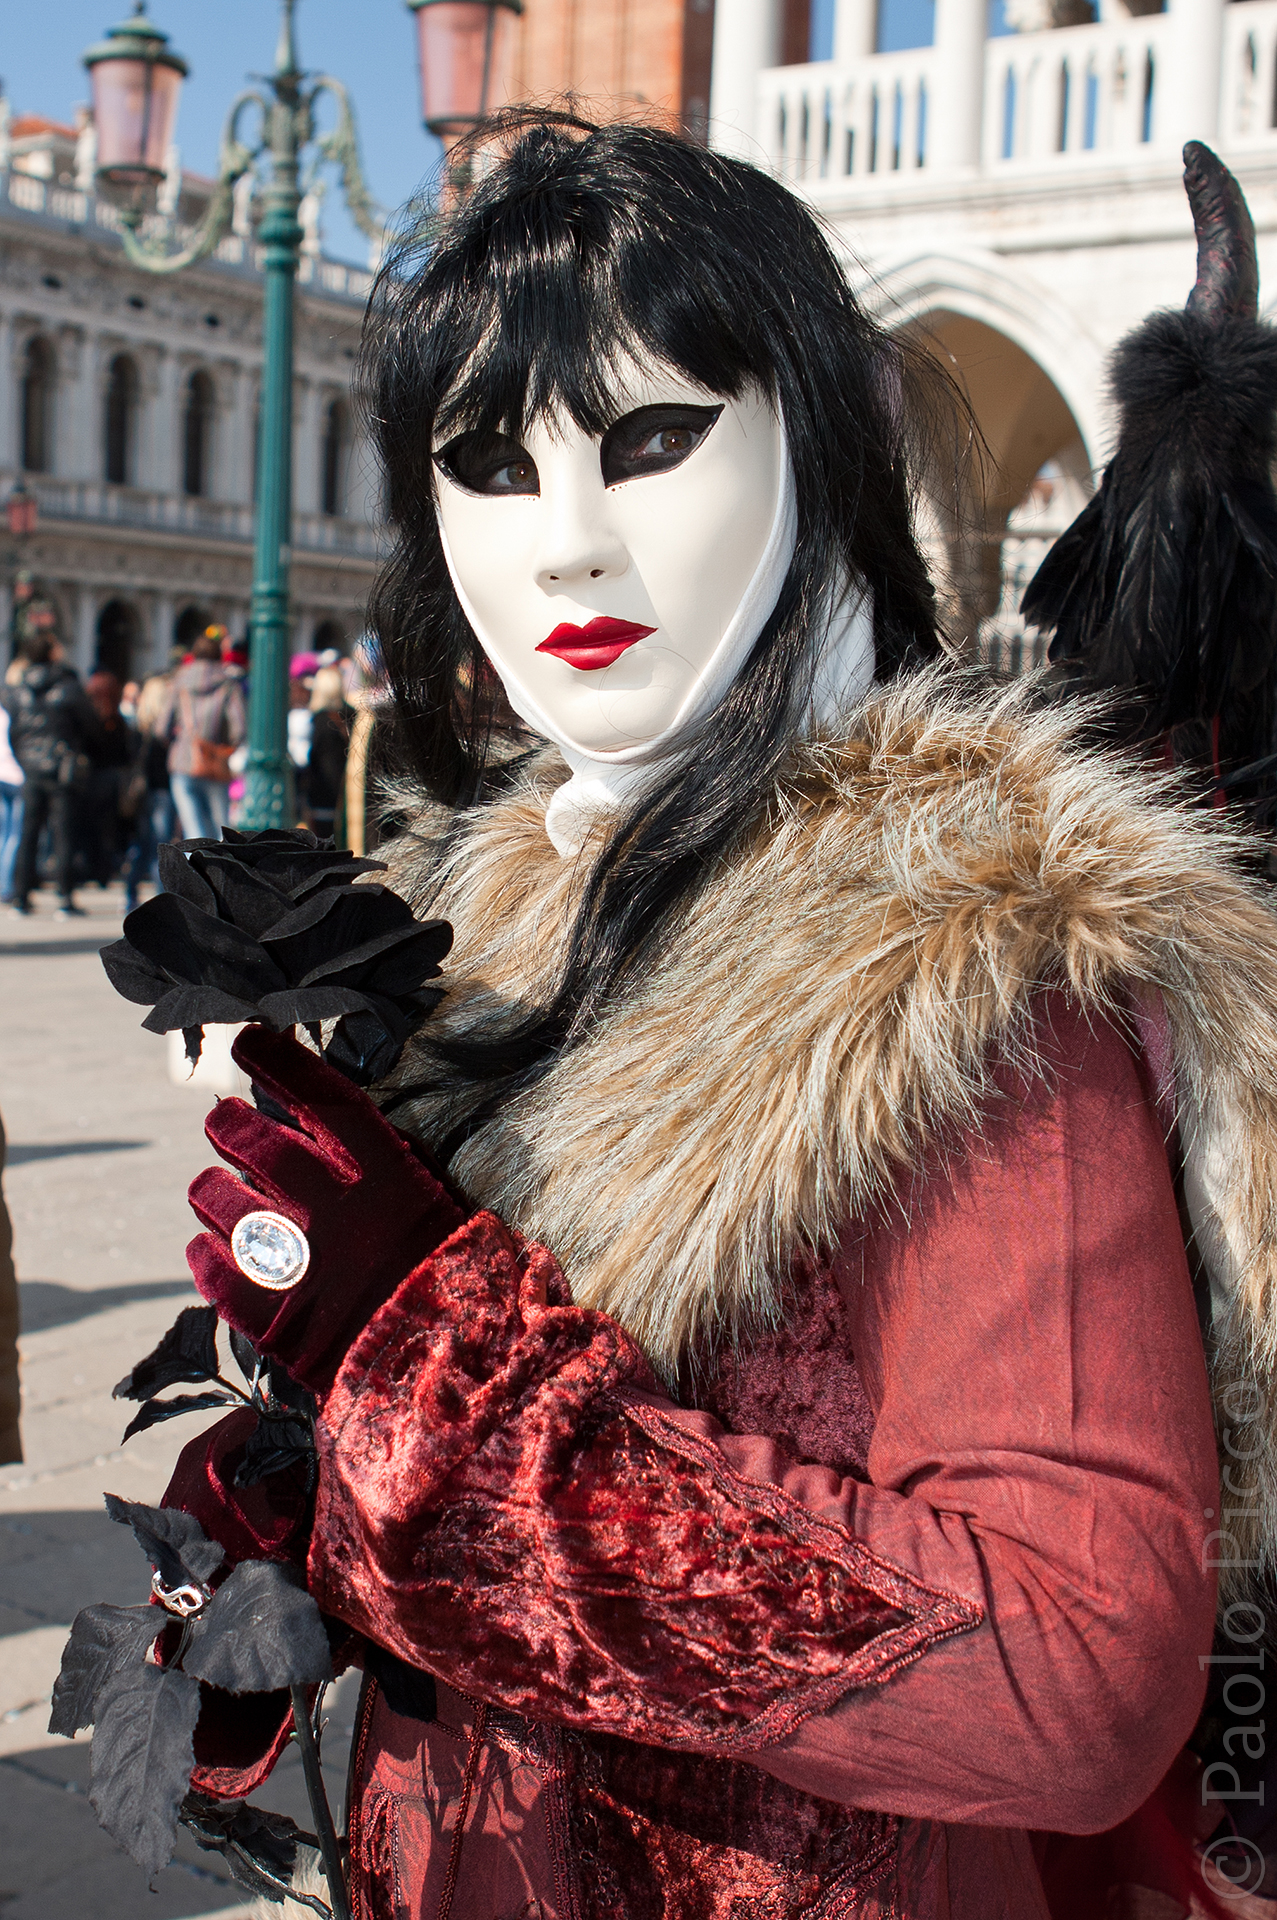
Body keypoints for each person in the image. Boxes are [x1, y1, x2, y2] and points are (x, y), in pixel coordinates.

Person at [115, 119, 1277, 1916]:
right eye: (486, 465)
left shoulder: (964, 969)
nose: (566, 545)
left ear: (808, 452)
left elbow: (1078, 1671)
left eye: (651, 442)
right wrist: (303, 1485)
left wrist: (440, 1396)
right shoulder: (490, 919)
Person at [3, 631, 98, 917]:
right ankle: (65, 898)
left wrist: (24, 759)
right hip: (62, 767)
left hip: (31, 769)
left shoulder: (18, 690)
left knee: (28, 832)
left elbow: (14, 732)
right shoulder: (68, 686)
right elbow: (90, 725)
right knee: (63, 833)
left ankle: (21, 897)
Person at [155, 625, 246, 842]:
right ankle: (220, 872)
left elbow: (161, 728)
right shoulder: (227, 683)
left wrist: (178, 741)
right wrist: (224, 745)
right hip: (215, 761)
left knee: (192, 828)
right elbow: (239, 728)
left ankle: (196, 872)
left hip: (183, 762)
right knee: (221, 828)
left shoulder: (179, 681)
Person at [82, 669, 138, 890]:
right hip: (113, 781)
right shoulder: (118, 720)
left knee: (91, 827)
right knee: (110, 828)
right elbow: (126, 754)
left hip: (93, 780)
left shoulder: (89, 718)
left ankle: (93, 867)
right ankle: (104, 869)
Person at [303, 663, 350, 835]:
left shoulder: (320, 721)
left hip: (323, 791)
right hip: (347, 790)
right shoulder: (350, 716)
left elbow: (313, 757)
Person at [0, 699, 23, 904]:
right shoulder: (9, 716)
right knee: (14, 835)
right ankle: (6, 887)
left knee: (3, 834)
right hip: (15, 777)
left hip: (1, 777)